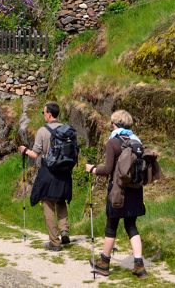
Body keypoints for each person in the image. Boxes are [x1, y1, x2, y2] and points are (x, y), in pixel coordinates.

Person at [85, 109, 148, 278]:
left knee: (111, 226)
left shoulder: (113, 142)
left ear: (114, 124)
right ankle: (139, 266)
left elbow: (107, 169)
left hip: (118, 191)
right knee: (131, 225)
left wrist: (92, 169)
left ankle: (104, 263)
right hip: (135, 191)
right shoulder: (137, 142)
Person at [17, 102, 72, 251]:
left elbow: (35, 154)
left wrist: (24, 150)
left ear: (49, 114)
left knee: (48, 204)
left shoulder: (42, 131)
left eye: (44, 113)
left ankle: (55, 242)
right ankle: (64, 230)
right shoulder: (66, 129)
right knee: (61, 200)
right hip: (65, 172)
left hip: (49, 172)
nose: (44, 115)